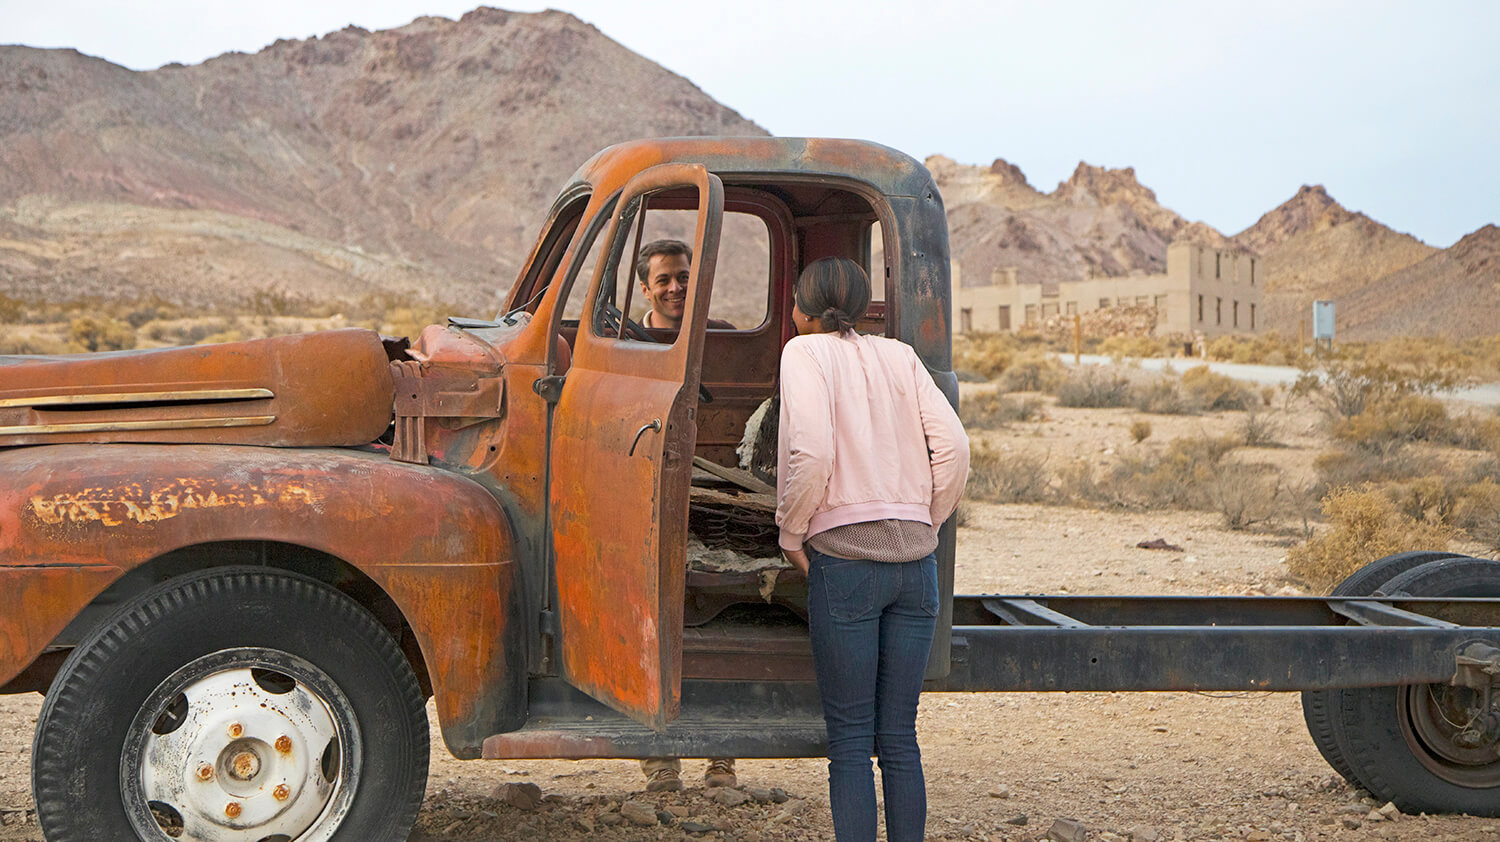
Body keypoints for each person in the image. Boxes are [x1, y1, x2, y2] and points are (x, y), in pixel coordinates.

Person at [775, 256, 970, 841]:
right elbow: (955, 449)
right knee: (900, 739)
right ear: (861, 307)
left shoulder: (802, 352)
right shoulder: (900, 354)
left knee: (853, 742)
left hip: (847, 565)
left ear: (802, 310)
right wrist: (925, 525)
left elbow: (810, 455)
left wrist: (791, 532)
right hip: (917, 569)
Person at [631, 237, 737, 792]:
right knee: (653, 625)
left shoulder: (719, 336)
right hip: (644, 499)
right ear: (646, 288)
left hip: (711, 496)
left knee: (715, 619)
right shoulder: (623, 342)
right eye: (665, 279)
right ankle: (660, 762)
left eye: (684, 277)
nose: (676, 288)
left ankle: (722, 758)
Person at [634, 239, 733, 331]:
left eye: (684, 278)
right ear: (645, 290)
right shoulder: (629, 343)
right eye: (663, 280)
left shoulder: (726, 335)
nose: (676, 288)